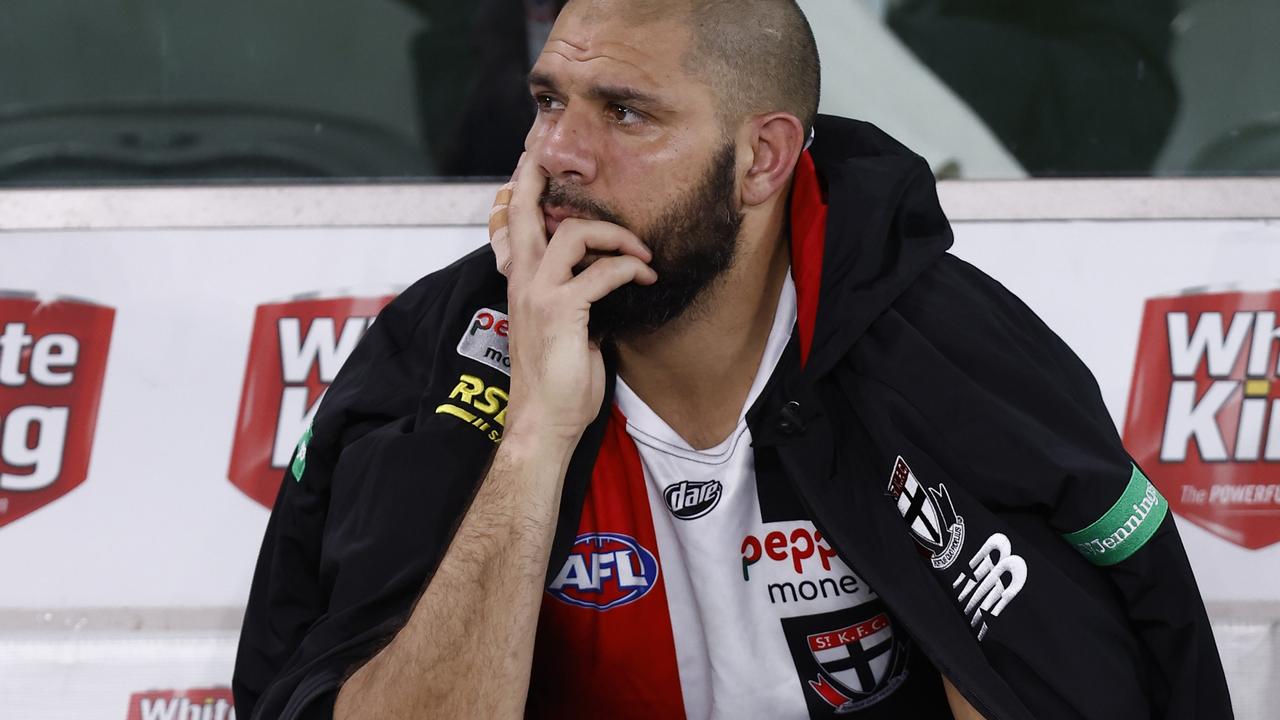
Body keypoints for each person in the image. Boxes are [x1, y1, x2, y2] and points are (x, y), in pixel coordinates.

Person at [232, 1, 1233, 718]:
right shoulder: (437, 359)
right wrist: (535, 435)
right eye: (548, 100)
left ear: (762, 158)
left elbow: (1065, 675)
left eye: (623, 113)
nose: (556, 153)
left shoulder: (947, 358)